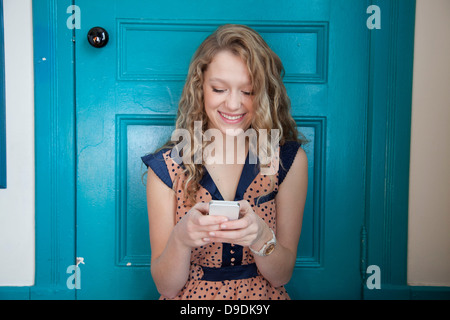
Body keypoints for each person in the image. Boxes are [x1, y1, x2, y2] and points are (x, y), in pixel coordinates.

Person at [141, 24, 308, 300]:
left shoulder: (288, 161)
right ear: (200, 87)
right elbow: (166, 287)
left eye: (248, 91)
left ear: (264, 93)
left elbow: (282, 275)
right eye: (219, 89)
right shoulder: (166, 167)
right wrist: (181, 240)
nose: (233, 105)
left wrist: (261, 237)